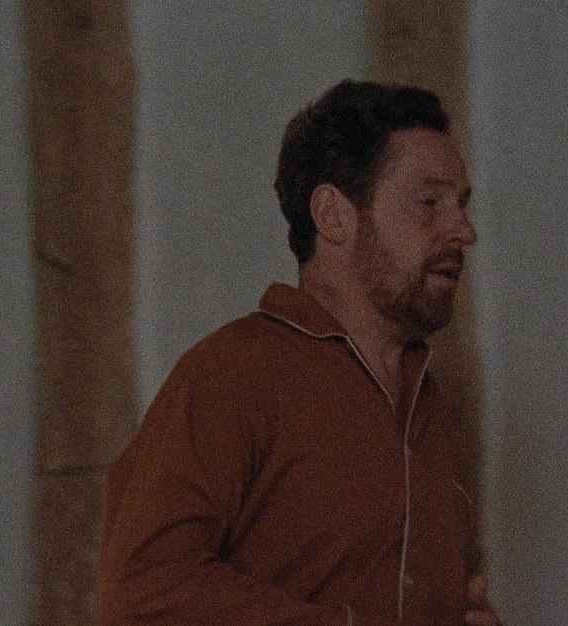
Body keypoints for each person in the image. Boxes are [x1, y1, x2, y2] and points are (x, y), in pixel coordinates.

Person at [98, 80, 499, 625]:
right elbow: (140, 592)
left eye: (462, 206)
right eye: (428, 204)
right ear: (333, 215)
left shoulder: (430, 405)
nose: (464, 231)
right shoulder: (230, 373)